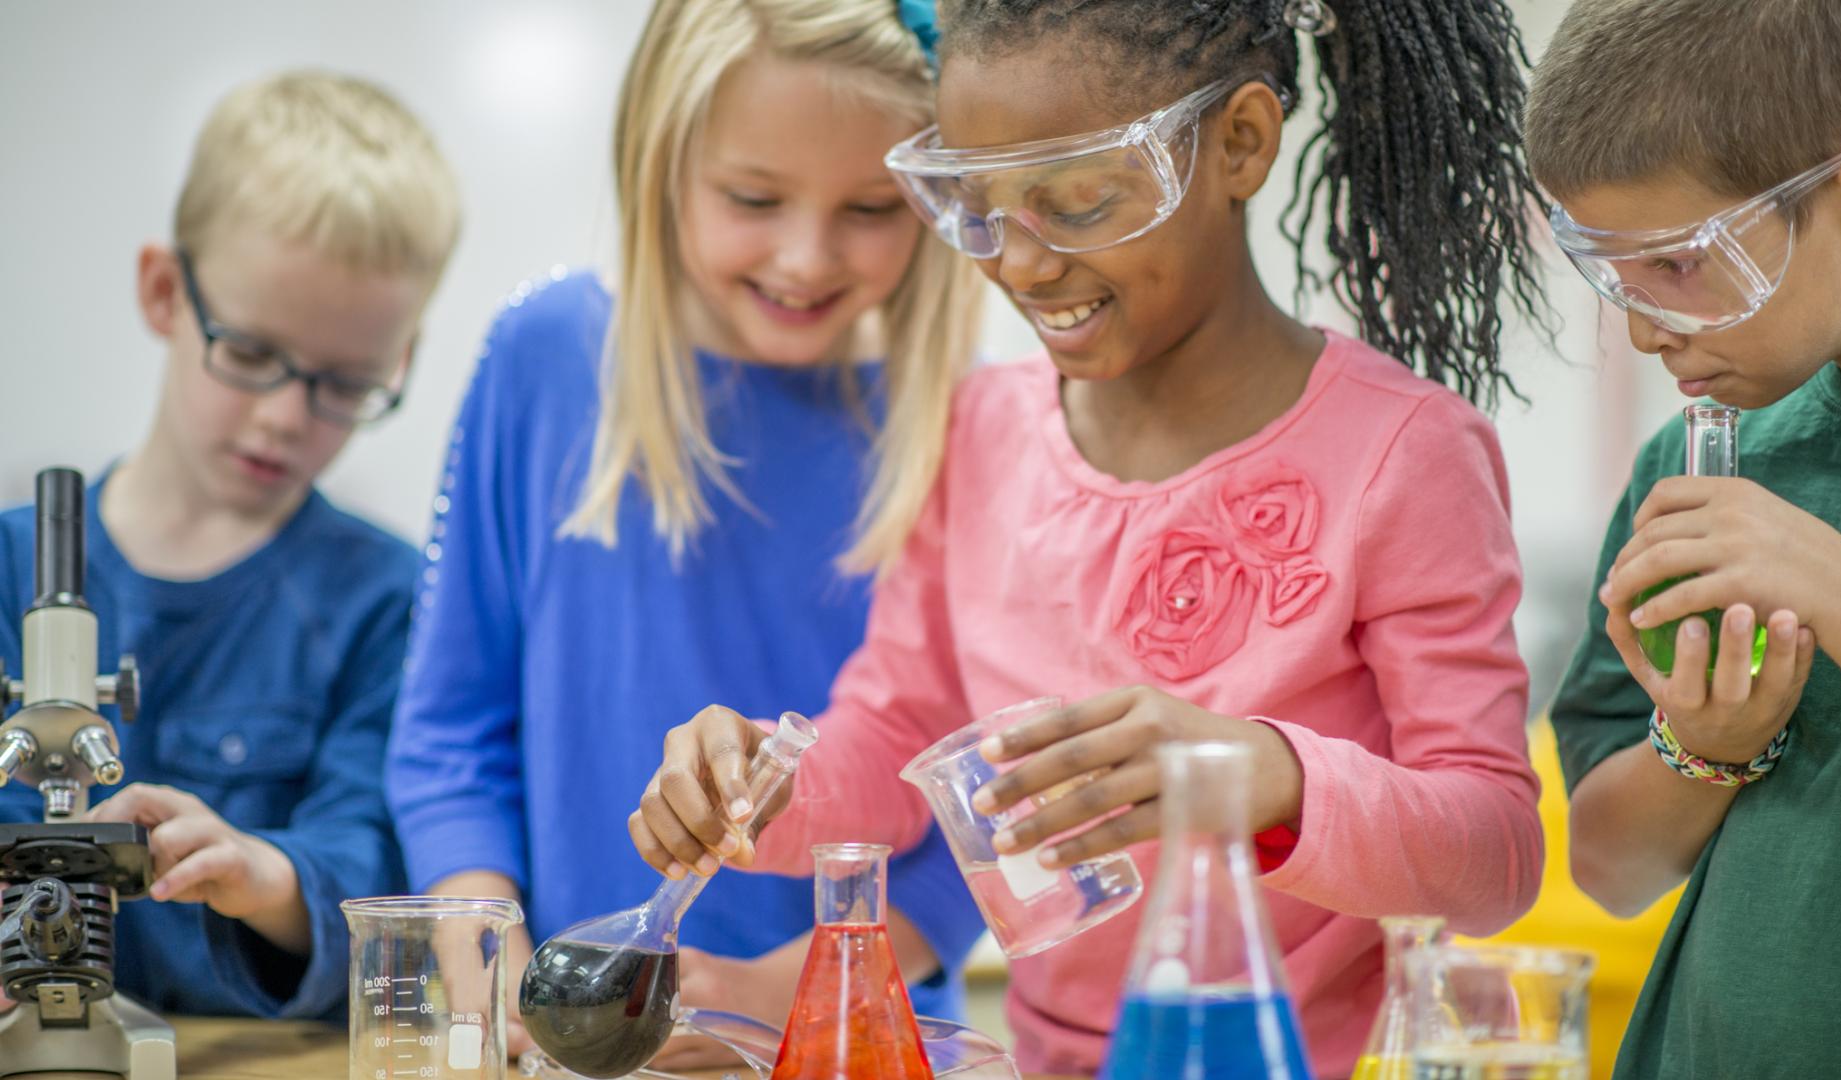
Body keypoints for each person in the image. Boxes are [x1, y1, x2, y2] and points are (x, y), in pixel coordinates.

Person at [630, 0, 1555, 1073]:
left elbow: (1496, 853)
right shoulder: (979, 429)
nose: (1020, 264)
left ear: (1241, 143)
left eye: (1077, 203)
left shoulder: (1404, 454)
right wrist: (767, 781)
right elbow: (889, 740)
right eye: (976, 207)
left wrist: (1262, 774)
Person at [383, 0, 985, 1065]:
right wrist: (511, 978)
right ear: (660, 160)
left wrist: (781, 990)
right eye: (753, 197)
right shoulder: (545, 357)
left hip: (850, 1038)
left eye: (873, 208)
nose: (806, 258)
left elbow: (976, 811)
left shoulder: (960, 426)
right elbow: (447, 740)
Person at [0, 70, 458, 1020]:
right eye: (250, 354)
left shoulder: (384, 599)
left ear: (401, 360)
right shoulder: (13, 571)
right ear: (165, 292)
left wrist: (266, 874)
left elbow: (373, 853)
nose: (285, 415)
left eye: (346, 384)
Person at [1531, 0, 1841, 1075]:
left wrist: (1837, 587)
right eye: (1613, 275)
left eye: (1681, 265)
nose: (1647, 329)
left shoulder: (1757, 517)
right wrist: (1704, 750)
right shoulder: (1700, 467)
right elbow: (1611, 868)